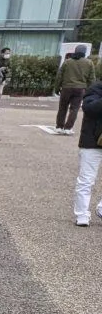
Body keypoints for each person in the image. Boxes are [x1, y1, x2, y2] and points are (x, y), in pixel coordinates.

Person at [71, 76, 102, 224]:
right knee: (86, 180)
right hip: (92, 142)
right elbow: (89, 109)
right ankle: (82, 214)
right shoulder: (95, 88)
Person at [54, 46, 94, 133]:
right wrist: (89, 91)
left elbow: (59, 76)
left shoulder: (67, 62)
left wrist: (57, 88)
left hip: (66, 88)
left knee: (62, 108)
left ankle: (59, 127)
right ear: (84, 52)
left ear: (75, 51)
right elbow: (91, 79)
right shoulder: (89, 63)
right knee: (74, 109)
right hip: (80, 89)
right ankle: (68, 128)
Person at [0, 46, 12, 111]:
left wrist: (7, 71)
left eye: (9, 53)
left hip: (2, 79)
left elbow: (9, 68)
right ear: (2, 53)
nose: (8, 54)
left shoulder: (8, 60)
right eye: (6, 53)